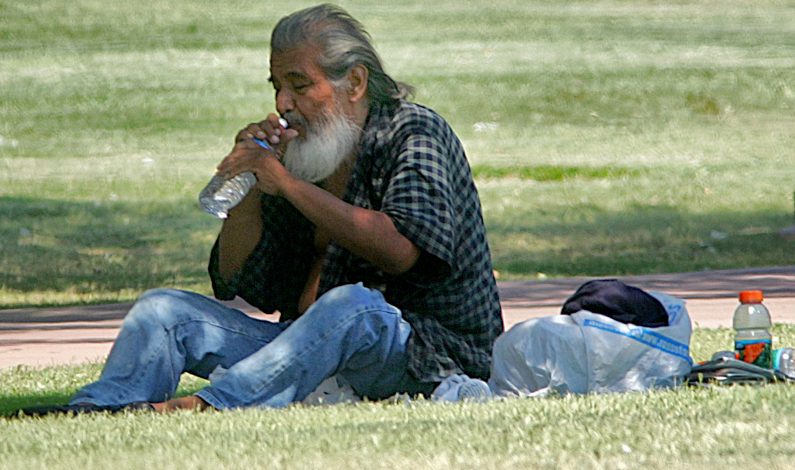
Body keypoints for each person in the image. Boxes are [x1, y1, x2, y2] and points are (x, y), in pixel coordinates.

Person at [24, 3, 503, 415]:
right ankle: (102, 407)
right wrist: (250, 183)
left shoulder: (414, 133)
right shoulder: (306, 153)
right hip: (306, 349)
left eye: (299, 85)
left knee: (353, 305)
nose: (282, 103)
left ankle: (214, 406)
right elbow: (239, 281)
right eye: (276, 85)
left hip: (425, 353)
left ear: (354, 82)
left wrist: (288, 185)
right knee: (163, 310)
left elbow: (401, 251)